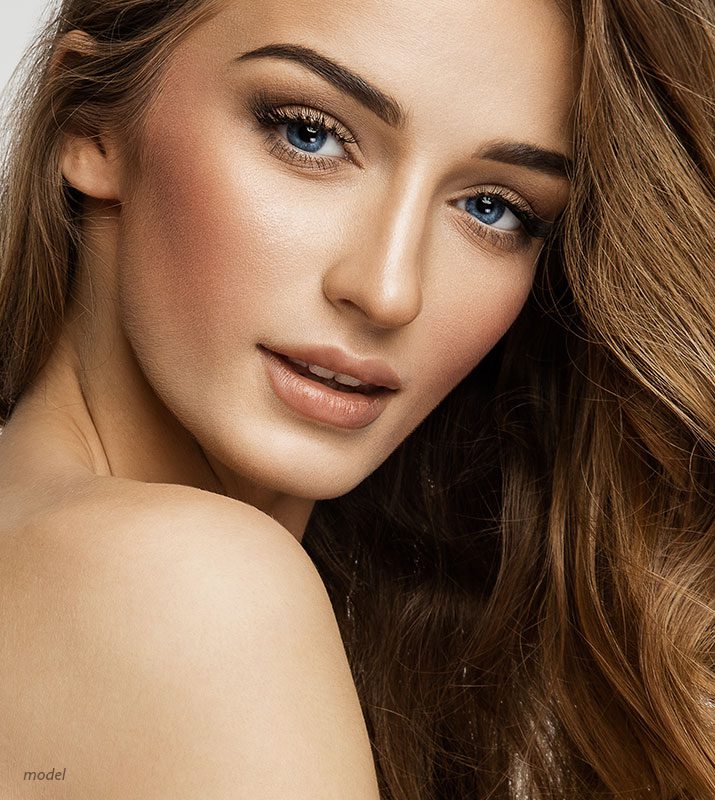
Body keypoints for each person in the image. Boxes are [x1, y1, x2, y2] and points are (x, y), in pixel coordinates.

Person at [0, 0, 713, 797]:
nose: (386, 291)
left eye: (492, 208)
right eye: (308, 133)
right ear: (91, 126)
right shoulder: (192, 587)